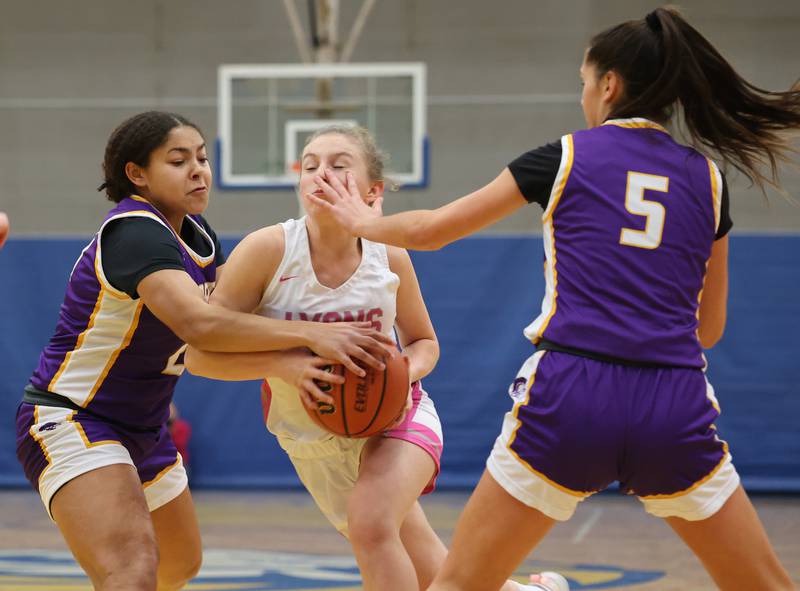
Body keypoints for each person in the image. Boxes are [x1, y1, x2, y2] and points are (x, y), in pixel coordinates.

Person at [308, 8, 800, 591]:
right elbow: (708, 329)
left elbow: (435, 229)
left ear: (610, 85)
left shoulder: (566, 155)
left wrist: (362, 218)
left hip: (572, 395)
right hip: (674, 401)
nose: (584, 95)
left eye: (584, 82)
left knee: (460, 585)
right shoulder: (709, 181)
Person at [15, 111, 394, 591]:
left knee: (179, 564)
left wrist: (287, 358)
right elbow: (200, 326)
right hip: (74, 416)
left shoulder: (197, 234)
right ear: (138, 175)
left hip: (146, 428)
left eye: (203, 158)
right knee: (131, 565)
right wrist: (311, 337)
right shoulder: (135, 231)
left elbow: (227, 331)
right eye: (178, 160)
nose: (198, 170)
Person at [184, 125, 567, 591]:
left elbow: (425, 343)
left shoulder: (390, 256)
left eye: (339, 165)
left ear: (373, 191)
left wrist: (403, 374)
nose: (320, 173)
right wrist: (286, 365)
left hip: (396, 417)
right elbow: (202, 357)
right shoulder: (267, 250)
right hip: (312, 437)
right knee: (433, 569)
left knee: (371, 526)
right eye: (309, 165)